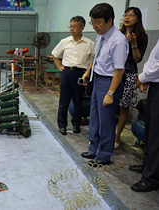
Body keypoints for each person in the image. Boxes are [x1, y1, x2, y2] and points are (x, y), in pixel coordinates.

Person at [80, 3, 129, 166]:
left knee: (106, 121)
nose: (94, 26)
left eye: (98, 22)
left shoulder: (118, 40)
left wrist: (110, 93)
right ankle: (94, 149)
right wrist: (88, 72)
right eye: (92, 22)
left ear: (110, 20)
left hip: (109, 83)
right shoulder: (101, 35)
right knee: (94, 118)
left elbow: (119, 71)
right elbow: (97, 58)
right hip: (97, 79)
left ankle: (104, 155)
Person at [52, 16, 95, 135]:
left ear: (82, 27)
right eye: (70, 26)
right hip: (67, 73)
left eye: (74, 26)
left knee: (78, 101)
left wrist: (87, 71)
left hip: (81, 74)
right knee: (64, 101)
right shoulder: (65, 41)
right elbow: (54, 54)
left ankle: (76, 124)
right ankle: (62, 125)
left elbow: (95, 58)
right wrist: (60, 66)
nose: (72, 29)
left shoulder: (89, 43)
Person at [114, 7, 148, 149]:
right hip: (115, 73)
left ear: (137, 18)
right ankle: (106, 135)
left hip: (129, 74)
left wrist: (133, 44)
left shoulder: (141, 37)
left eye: (131, 15)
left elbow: (137, 59)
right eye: (125, 15)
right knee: (110, 105)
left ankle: (116, 138)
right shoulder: (118, 34)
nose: (127, 17)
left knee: (124, 107)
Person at [130, 39, 159, 192]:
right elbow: (152, 58)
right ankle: (148, 165)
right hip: (154, 83)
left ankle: (152, 178)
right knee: (150, 131)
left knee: (156, 135)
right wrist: (145, 77)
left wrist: (141, 78)